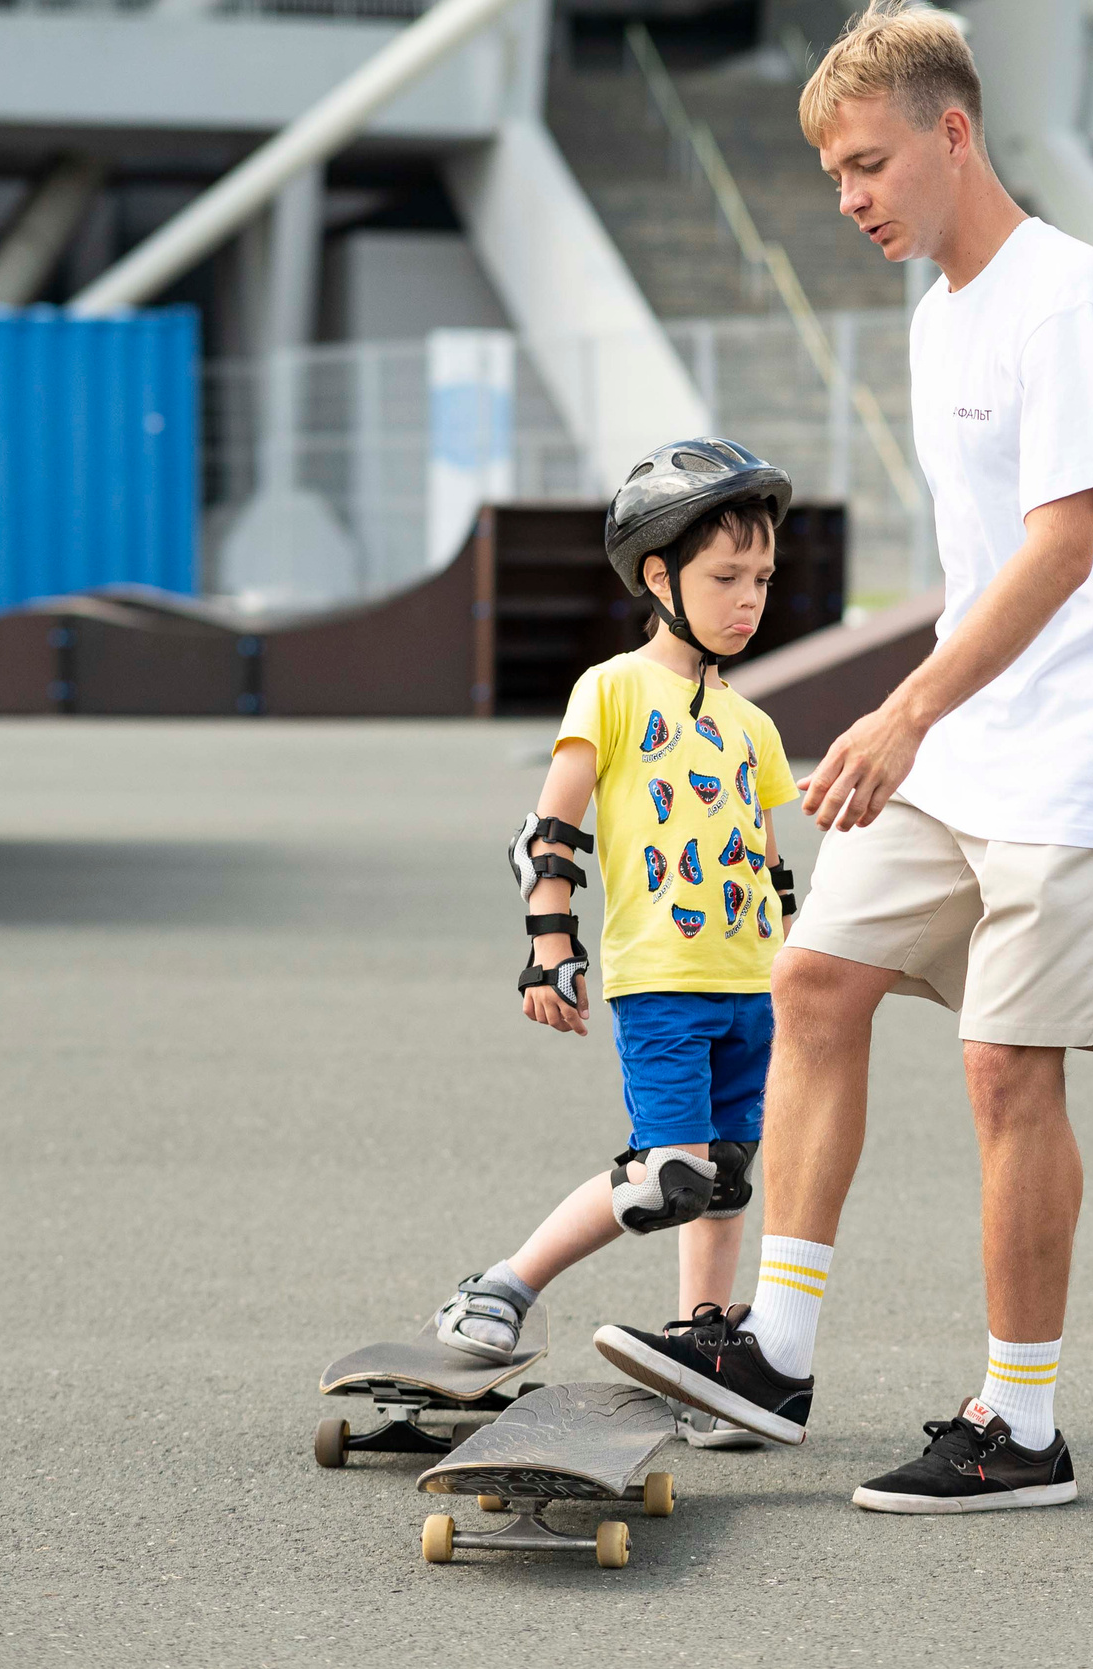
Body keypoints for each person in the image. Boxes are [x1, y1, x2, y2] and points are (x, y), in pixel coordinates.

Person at [592, 0, 1093, 1515]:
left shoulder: (1065, 298)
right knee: (815, 976)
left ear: (954, 131)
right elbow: (981, 558)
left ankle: (1022, 1425)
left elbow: (1065, 548)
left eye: (868, 164)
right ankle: (776, 1352)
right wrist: (917, 709)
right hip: (969, 740)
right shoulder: (939, 316)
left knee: (1005, 1070)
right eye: (833, 177)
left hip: (1085, 753)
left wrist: (907, 705)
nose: (851, 199)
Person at [433, 437, 804, 1451]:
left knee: (727, 1173)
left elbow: (770, 866)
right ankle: (504, 1285)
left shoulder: (754, 724)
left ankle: (702, 1353)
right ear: (658, 574)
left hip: (751, 983)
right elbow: (549, 830)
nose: (749, 598)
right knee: (666, 1176)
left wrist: (803, 964)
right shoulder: (611, 689)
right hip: (664, 982)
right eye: (727, 575)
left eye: (762, 578)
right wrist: (550, 939)